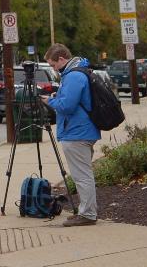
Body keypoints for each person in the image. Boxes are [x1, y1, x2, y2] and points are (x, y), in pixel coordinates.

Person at [45, 43, 100, 227]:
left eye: (53, 65)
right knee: (83, 174)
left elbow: (67, 106)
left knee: (82, 176)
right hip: (82, 130)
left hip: (77, 132)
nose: (54, 69)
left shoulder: (74, 76)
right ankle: (87, 212)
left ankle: (88, 214)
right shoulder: (78, 72)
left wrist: (50, 101)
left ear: (61, 59)